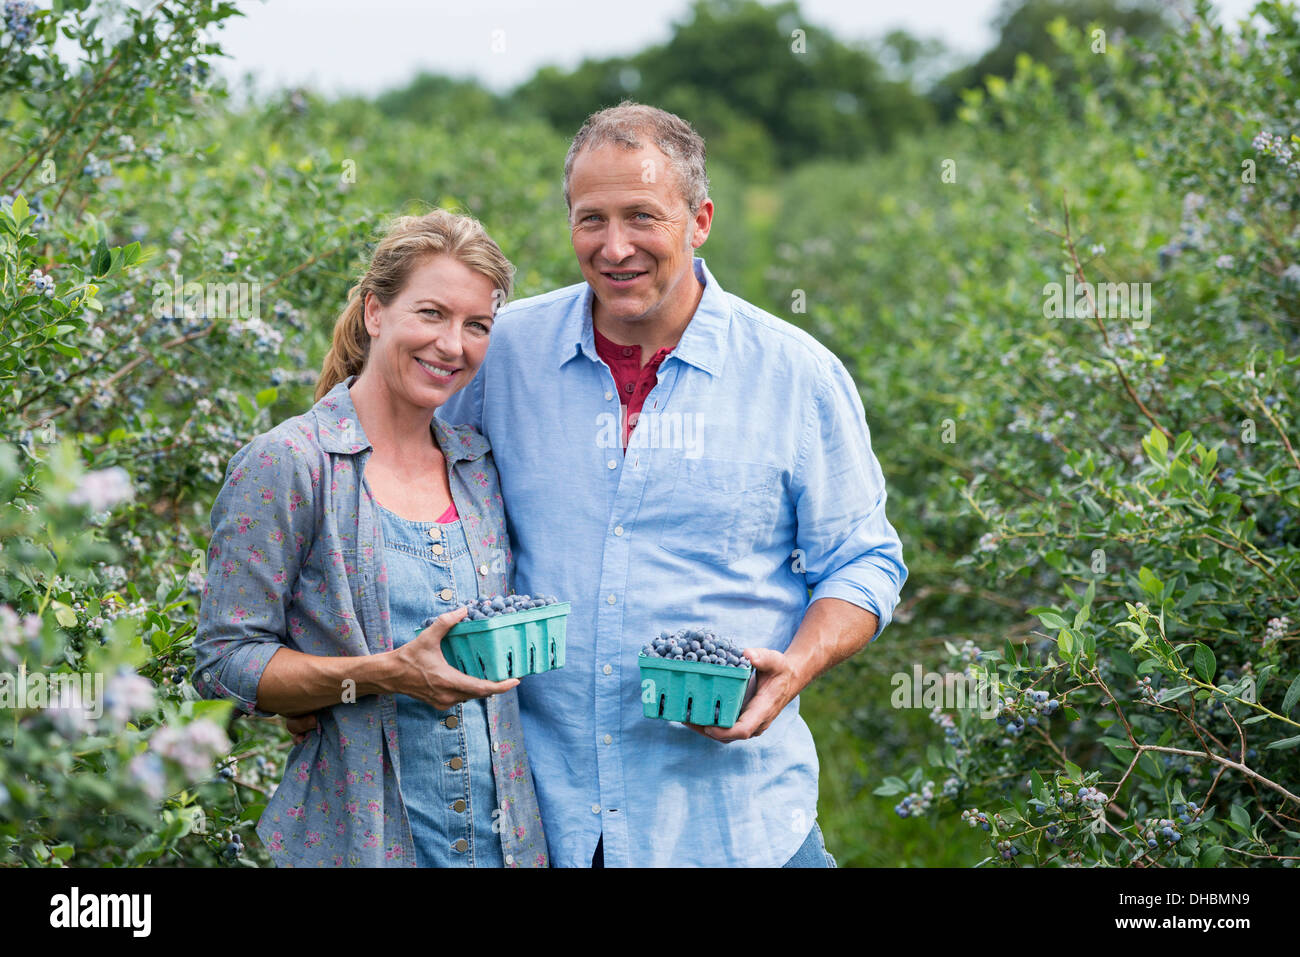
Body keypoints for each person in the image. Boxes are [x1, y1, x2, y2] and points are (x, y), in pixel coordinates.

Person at [432, 102, 909, 867]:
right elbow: (385, 468)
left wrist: (799, 665)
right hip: (540, 823)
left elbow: (863, 559)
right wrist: (328, 666)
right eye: (592, 219)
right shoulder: (505, 350)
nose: (614, 247)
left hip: (734, 825)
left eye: (642, 217)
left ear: (702, 219)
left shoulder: (795, 374)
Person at [193, 209, 548, 868]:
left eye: (477, 326)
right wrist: (378, 675)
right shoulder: (291, 462)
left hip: (507, 845)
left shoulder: (477, 465)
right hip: (358, 841)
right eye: (432, 313)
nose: (452, 344)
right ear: (375, 311)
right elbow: (224, 660)